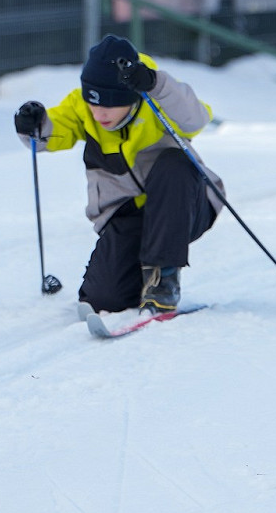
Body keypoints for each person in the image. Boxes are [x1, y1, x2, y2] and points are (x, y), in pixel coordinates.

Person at [12, 35, 221, 317]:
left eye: (109, 104)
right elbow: (49, 135)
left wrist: (155, 84)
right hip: (126, 216)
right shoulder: (82, 107)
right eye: (93, 104)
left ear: (131, 97)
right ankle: (138, 280)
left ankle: (164, 280)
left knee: (174, 162)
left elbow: (196, 119)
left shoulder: (156, 98)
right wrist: (33, 125)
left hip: (186, 206)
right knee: (103, 299)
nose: (99, 114)